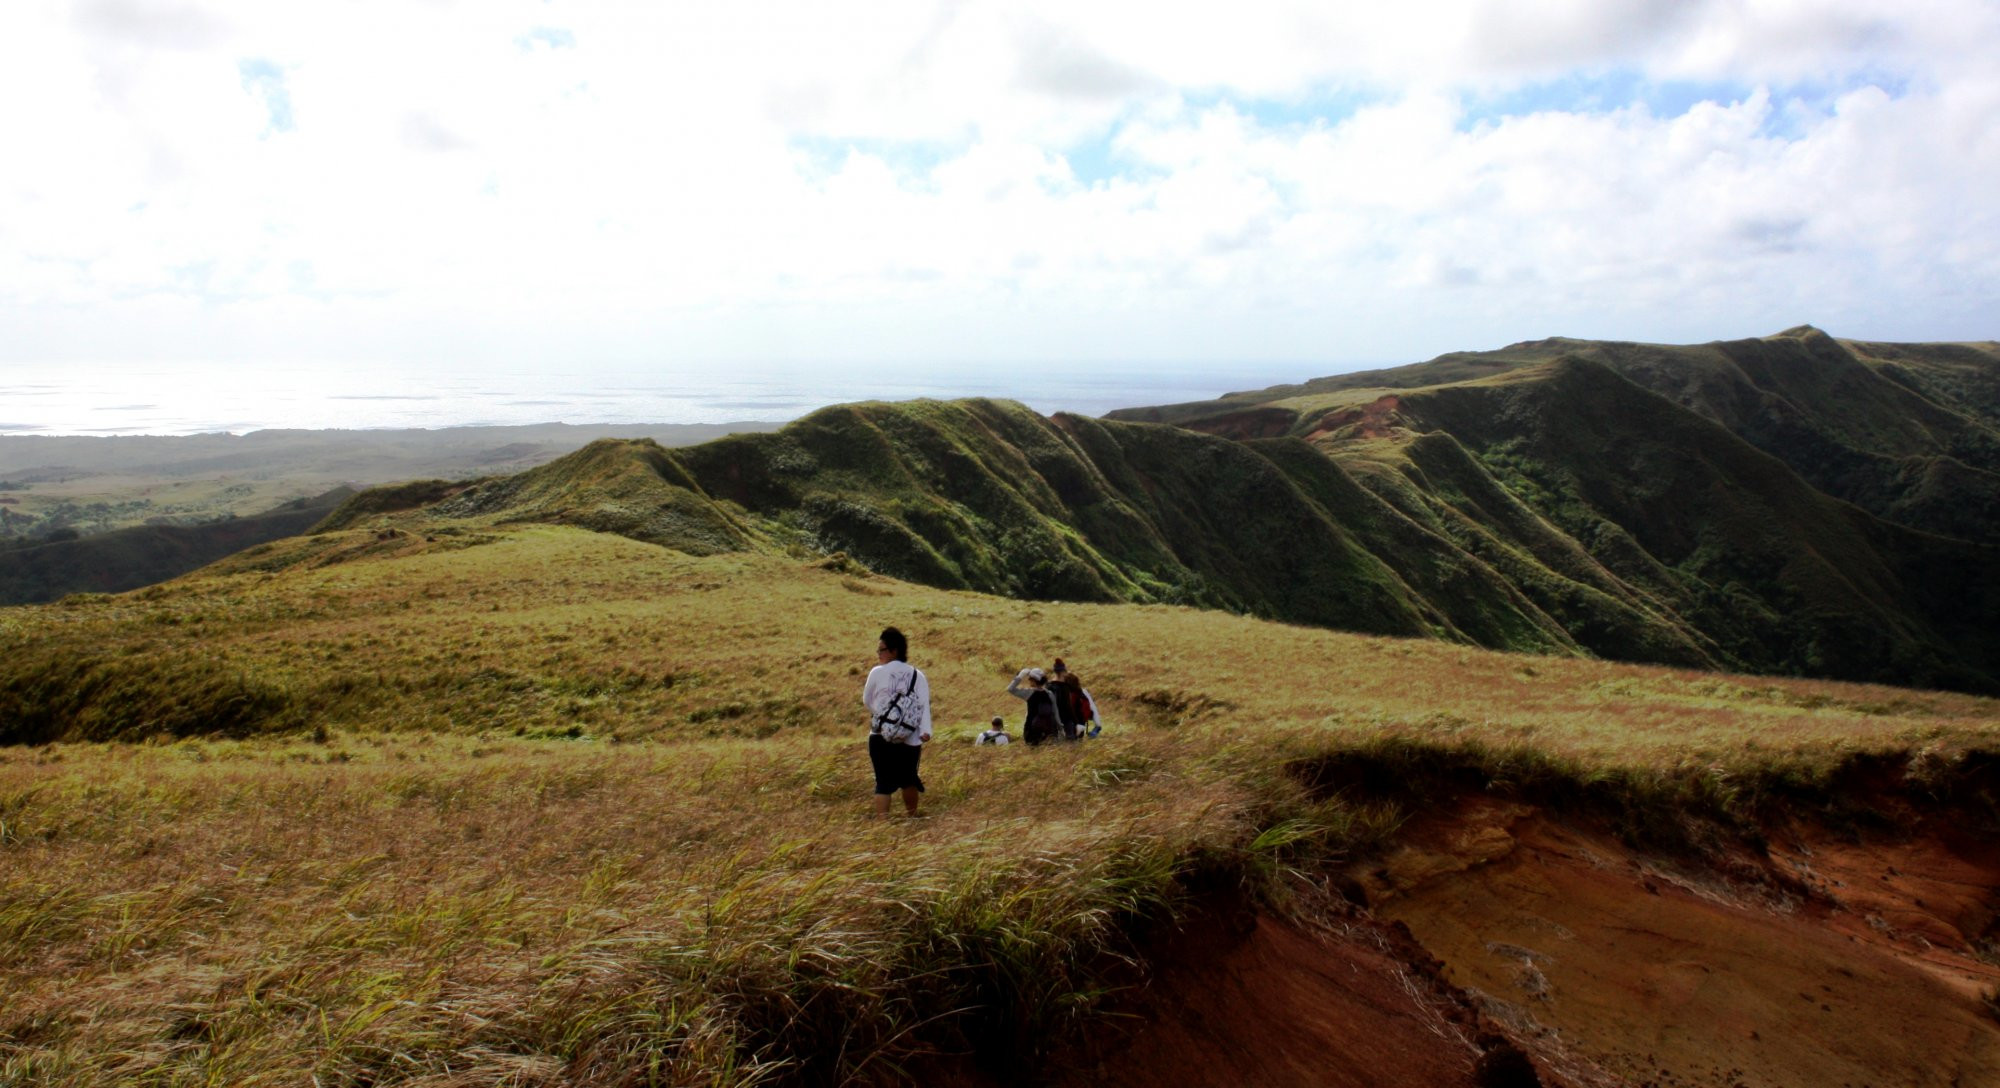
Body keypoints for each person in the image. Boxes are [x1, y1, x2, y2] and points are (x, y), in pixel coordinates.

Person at [863, 626, 932, 817]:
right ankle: (912, 817)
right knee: (909, 779)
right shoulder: (918, 675)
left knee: (882, 783)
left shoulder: (876, 672)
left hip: (879, 735)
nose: (878, 654)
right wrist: (925, 730)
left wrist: (884, 718)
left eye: (881, 650)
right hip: (909, 736)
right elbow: (923, 704)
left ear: (894, 650)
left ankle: (882, 824)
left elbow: (866, 700)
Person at [1006, 666, 1066, 745]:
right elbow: (1055, 712)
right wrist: (1060, 728)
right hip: (1049, 730)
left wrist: (1020, 675)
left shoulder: (1029, 693)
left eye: (1030, 679)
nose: (1029, 681)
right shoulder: (1049, 694)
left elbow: (1010, 689)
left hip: (1031, 730)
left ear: (1034, 680)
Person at [1046, 658, 1096, 741]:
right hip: (1066, 720)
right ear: (1063, 672)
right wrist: (1076, 722)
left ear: (1054, 671)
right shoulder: (1065, 687)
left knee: (1054, 743)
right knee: (1070, 743)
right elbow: (1068, 706)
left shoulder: (1048, 685)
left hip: (1052, 719)